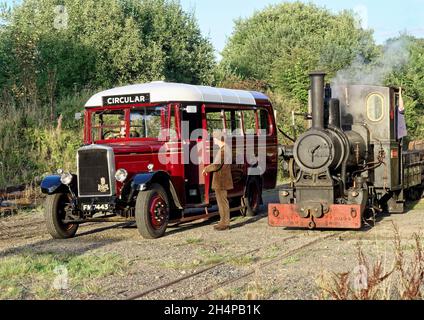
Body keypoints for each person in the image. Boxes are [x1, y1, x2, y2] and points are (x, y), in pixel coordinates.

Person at [202, 131, 234, 231]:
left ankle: (225, 223)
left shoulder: (224, 150)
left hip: (221, 180)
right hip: (222, 179)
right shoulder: (225, 149)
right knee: (222, 202)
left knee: (222, 202)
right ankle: (223, 221)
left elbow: (216, 165)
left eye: (215, 138)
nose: (214, 140)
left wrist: (206, 169)